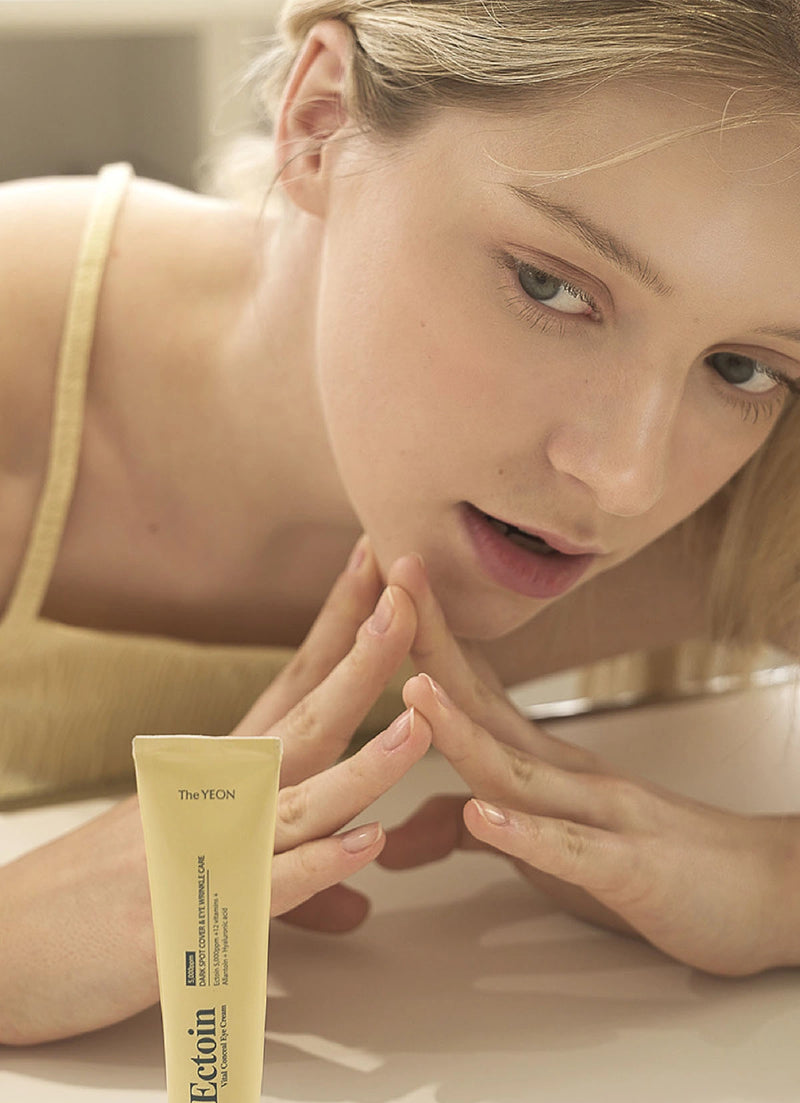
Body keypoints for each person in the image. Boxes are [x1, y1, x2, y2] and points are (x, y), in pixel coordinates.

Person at [2, 0, 800, 1045]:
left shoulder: (761, 488)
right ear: (318, 118)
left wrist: (773, 886)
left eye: (739, 366)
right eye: (551, 285)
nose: (622, 480)